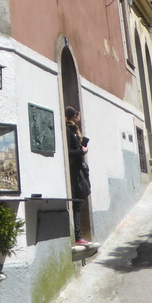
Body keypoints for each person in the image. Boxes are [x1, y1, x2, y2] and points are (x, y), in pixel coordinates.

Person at [65, 105, 94, 247]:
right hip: (74, 171)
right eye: (78, 115)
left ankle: (79, 235)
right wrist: (82, 151)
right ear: (75, 115)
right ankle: (77, 236)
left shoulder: (73, 130)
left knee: (80, 199)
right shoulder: (68, 131)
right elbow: (68, 152)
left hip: (79, 170)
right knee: (77, 202)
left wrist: (82, 145)